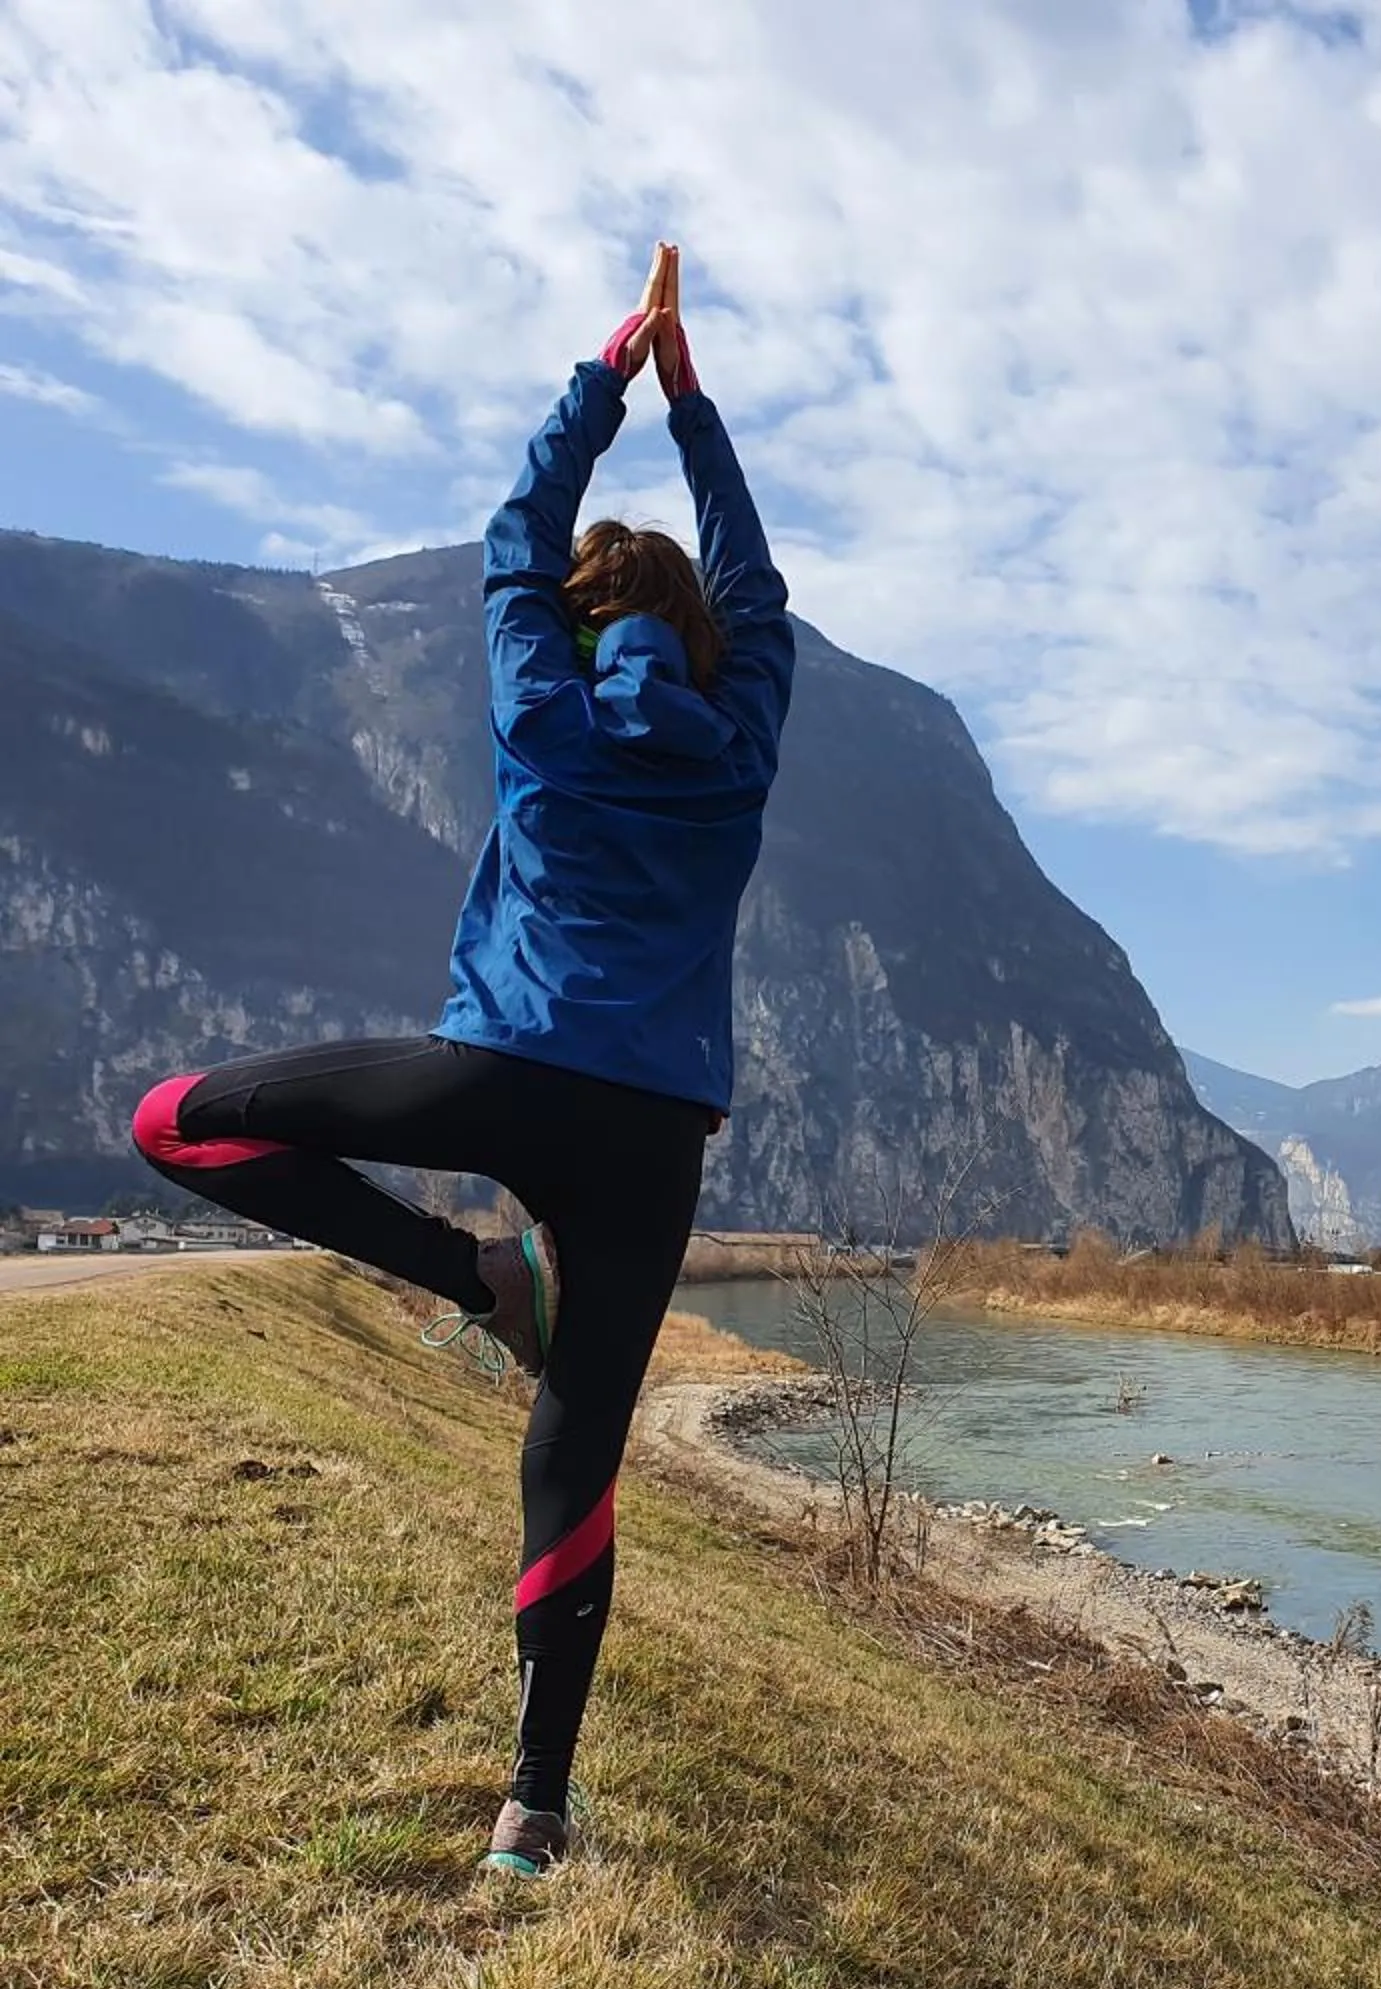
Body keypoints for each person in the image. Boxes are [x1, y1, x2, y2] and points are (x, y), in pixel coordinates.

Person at [128, 247, 795, 1877]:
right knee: (571, 1462)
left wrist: (614, 374)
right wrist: (695, 402)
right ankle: (533, 1809)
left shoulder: (544, 715)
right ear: (704, 647)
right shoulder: (745, 740)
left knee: (176, 1125)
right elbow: (755, 586)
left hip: (495, 1070)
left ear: (569, 634)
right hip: (655, 1146)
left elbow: (515, 537)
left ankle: (469, 1272)